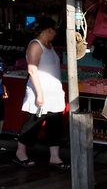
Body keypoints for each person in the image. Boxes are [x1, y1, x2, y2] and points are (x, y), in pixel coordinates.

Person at [14, 17, 70, 170]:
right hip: (41, 92)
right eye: (55, 30)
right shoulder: (35, 45)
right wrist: (39, 93)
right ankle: (21, 152)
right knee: (33, 123)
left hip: (54, 93)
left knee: (55, 125)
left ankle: (54, 156)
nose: (55, 34)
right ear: (49, 30)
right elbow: (32, 70)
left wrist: (59, 89)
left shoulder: (50, 46)